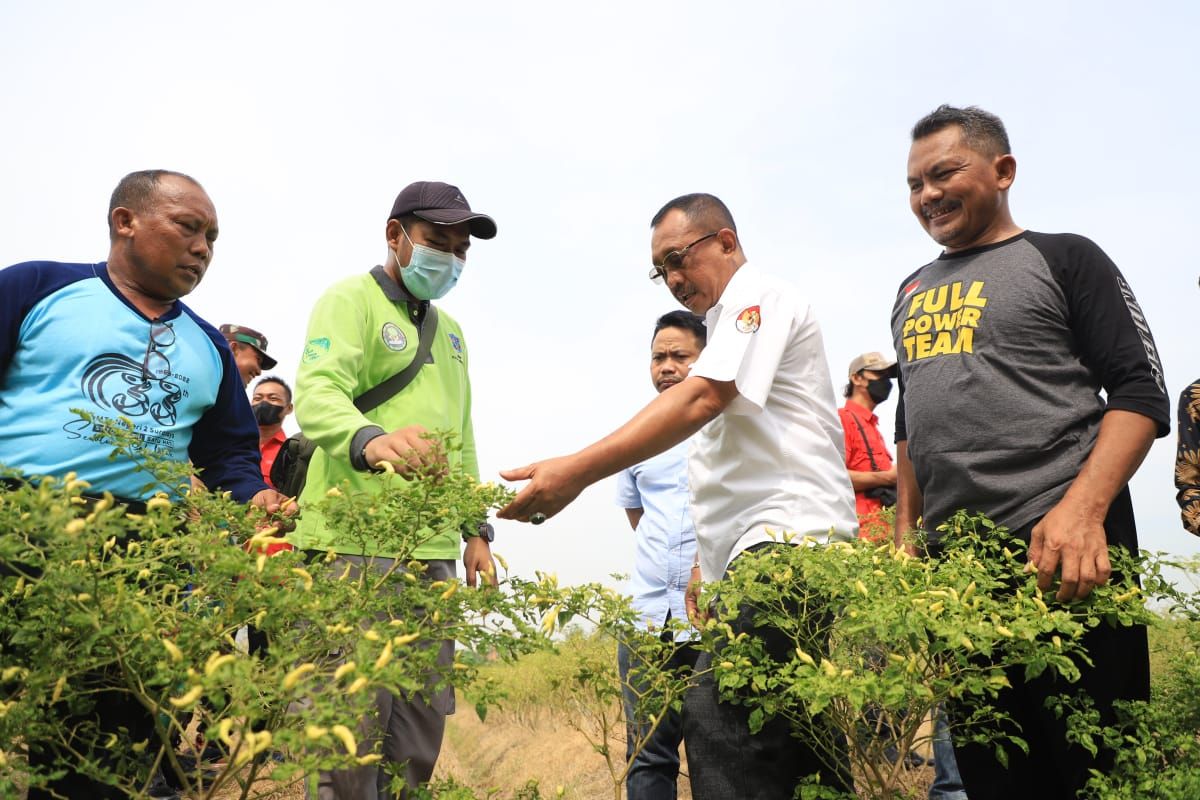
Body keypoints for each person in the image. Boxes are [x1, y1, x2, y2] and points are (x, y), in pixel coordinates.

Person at [499, 193, 858, 798]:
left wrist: (576, 471)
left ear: (724, 240)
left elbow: (701, 400)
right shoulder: (722, 327)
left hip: (786, 542)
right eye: (660, 269)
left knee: (719, 722)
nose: (672, 279)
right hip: (757, 554)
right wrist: (711, 569)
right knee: (798, 735)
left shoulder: (759, 297)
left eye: (679, 258)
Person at [893, 105, 1170, 800]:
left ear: (1003, 171)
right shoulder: (909, 291)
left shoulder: (1066, 257)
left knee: (1093, 767)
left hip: (1063, 548)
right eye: (914, 184)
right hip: (959, 573)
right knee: (993, 772)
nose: (927, 195)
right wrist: (907, 541)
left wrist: (1083, 511)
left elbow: (1141, 393)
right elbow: (911, 425)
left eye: (944, 173)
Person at [0, 169, 293, 799]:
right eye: (188, 227)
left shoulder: (208, 347)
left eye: (213, 237)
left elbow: (229, 459)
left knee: (104, 746)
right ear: (124, 221)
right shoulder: (36, 286)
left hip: (137, 551)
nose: (203, 248)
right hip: (18, 520)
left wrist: (258, 498)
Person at [292, 181, 498, 799]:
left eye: (462, 249)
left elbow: (459, 440)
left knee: (417, 724)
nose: (451, 259)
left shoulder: (453, 334)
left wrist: (475, 531)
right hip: (350, 546)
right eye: (438, 242)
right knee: (346, 728)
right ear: (395, 235)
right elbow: (318, 392)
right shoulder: (349, 300)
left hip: (429, 554)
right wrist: (368, 439)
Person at [614, 310, 705, 800]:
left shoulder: (727, 427)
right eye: (658, 357)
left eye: (679, 356)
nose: (666, 366)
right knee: (649, 752)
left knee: (718, 749)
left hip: (713, 615)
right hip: (648, 615)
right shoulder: (638, 434)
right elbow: (638, 515)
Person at [838, 351, 898, 542]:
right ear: (857, 378)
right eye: (879, 375)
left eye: (888, 377)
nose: (886, 382)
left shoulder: (873, 426)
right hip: (859, 537)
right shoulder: (844, 419)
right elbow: (834, 477)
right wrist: (888, 477)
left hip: (884, 534)